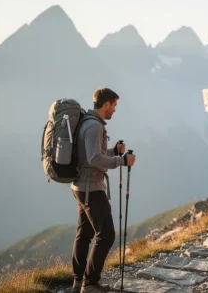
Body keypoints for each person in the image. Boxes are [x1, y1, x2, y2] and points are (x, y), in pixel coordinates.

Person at [70, 87, 136, 293]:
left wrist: (113, 151)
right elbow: (94, 159)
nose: (115, 109)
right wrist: (121, 160)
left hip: (81, 186)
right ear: (106, 104)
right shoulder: (95, 126)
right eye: (114, 105)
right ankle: (90, 284)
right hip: (91, 188)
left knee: (85, 234)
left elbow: (92, 154)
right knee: (106, 235)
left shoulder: (87, 123)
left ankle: (78, 282)